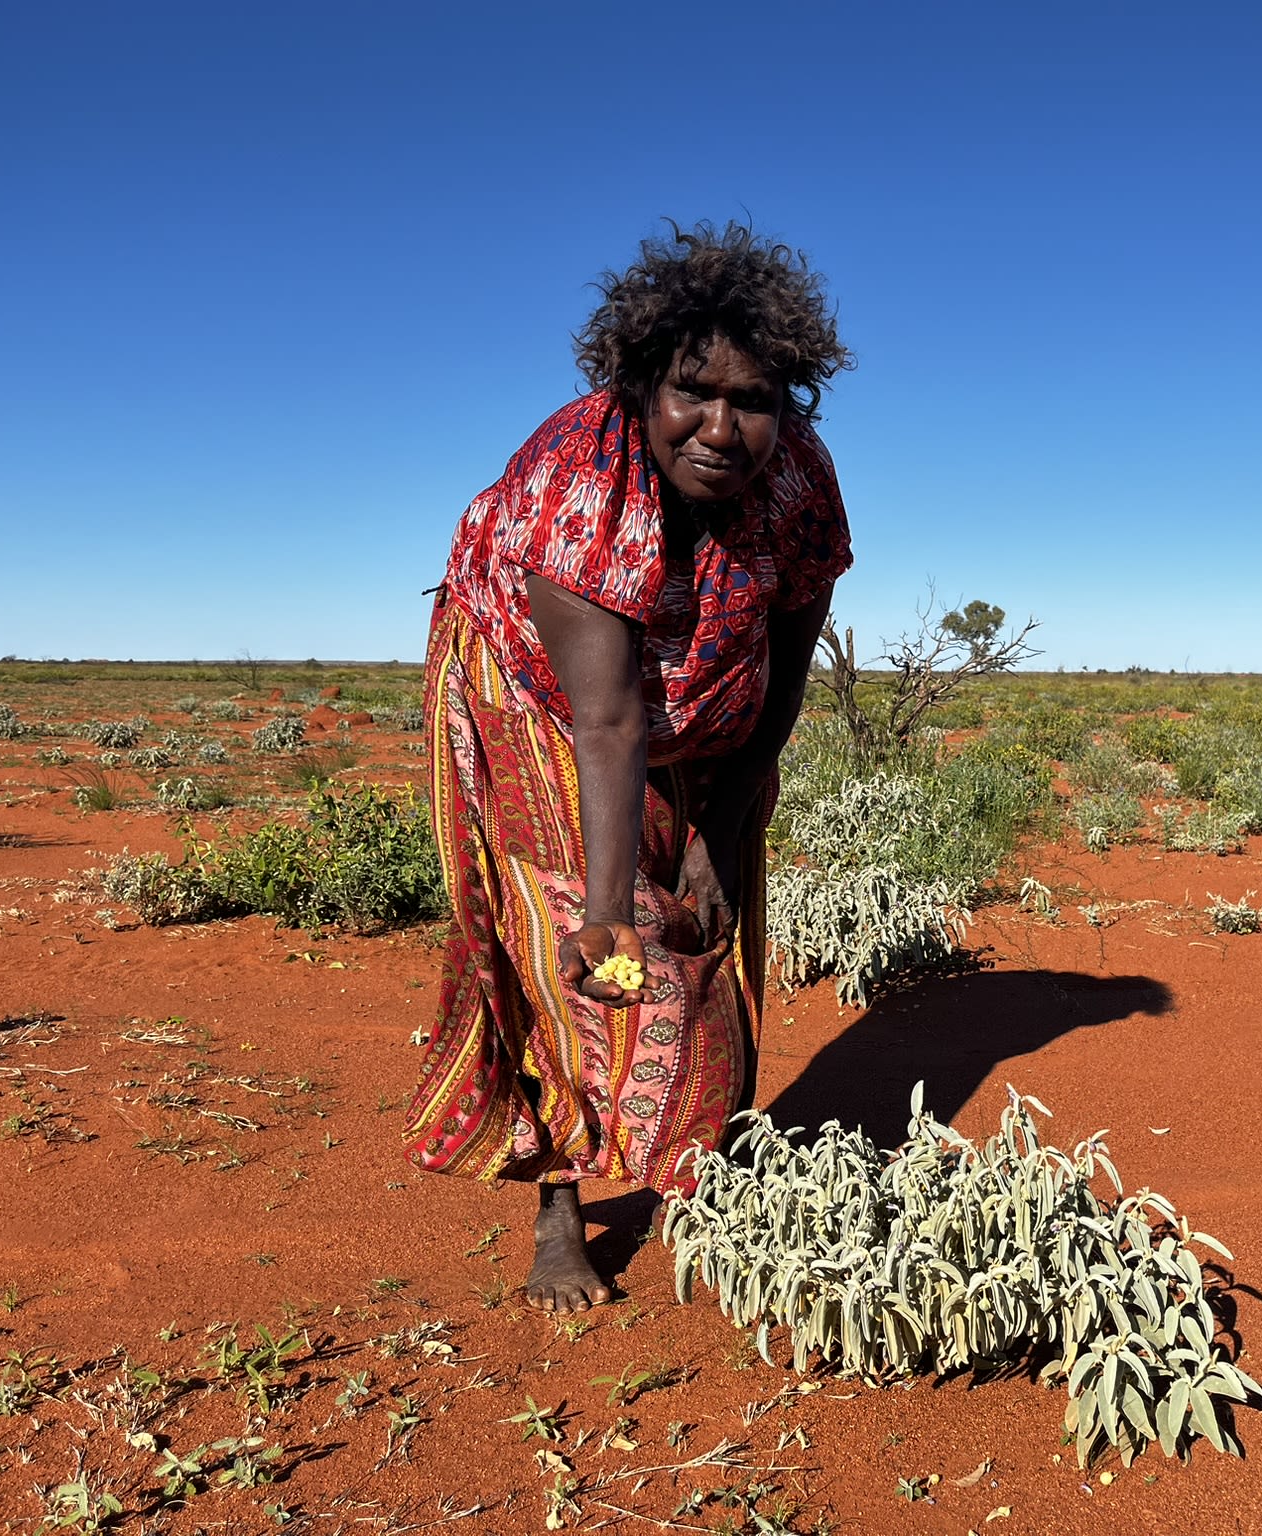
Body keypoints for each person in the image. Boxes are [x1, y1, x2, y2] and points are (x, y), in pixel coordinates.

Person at [405, 222, 853, 1311]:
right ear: (639, 381)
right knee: (571, 940)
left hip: (711, 698)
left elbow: (788, 670)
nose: (719, 427)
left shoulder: (796, 483)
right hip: (538, 699)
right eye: (691, 393)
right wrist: (606, 910)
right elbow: (604, 722)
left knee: (704, 923)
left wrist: (719, 829)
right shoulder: (575, 486)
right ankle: (560, 1209)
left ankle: (714, 1172)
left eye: (753, 400)